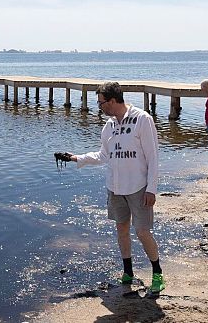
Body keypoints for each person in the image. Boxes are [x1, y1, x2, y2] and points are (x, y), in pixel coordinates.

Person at [53, 82, 165, 295]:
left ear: (113, 100)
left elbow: (153, 157)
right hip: (115, 187)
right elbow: (104, 155)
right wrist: (76, 158)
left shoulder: (142, 120)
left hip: (139, 187)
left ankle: (157, 272)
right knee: (121, 229)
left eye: (101, 102)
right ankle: (128, 272)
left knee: (142, 231)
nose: (99, 106)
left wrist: (152, 188)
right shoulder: (109, 126)